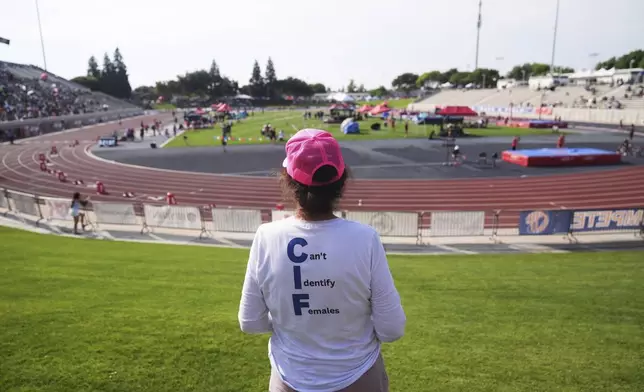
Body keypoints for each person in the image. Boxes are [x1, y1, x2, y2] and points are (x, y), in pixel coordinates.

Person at [238, 129, 406, 392]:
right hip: (358, 376)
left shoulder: (266, 236)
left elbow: (250, 322)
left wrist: (294, 323)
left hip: (290, 379)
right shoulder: (365, 238)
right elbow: (392, 328)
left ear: (288, 180)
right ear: (341, 180)